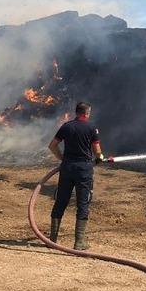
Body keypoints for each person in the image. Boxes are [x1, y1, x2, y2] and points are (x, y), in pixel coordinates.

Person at [48, 101, 105, 250]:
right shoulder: (91, 128)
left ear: (76, 112)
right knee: (83, 203)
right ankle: (79, 242)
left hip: (67, 168)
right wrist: (99, 157)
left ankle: (52, 240)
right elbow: (97, 149)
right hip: (84, 169)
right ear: (86, 113)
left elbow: (52, 145)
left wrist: (62, 159)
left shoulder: (66, 126)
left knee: (61, 201)